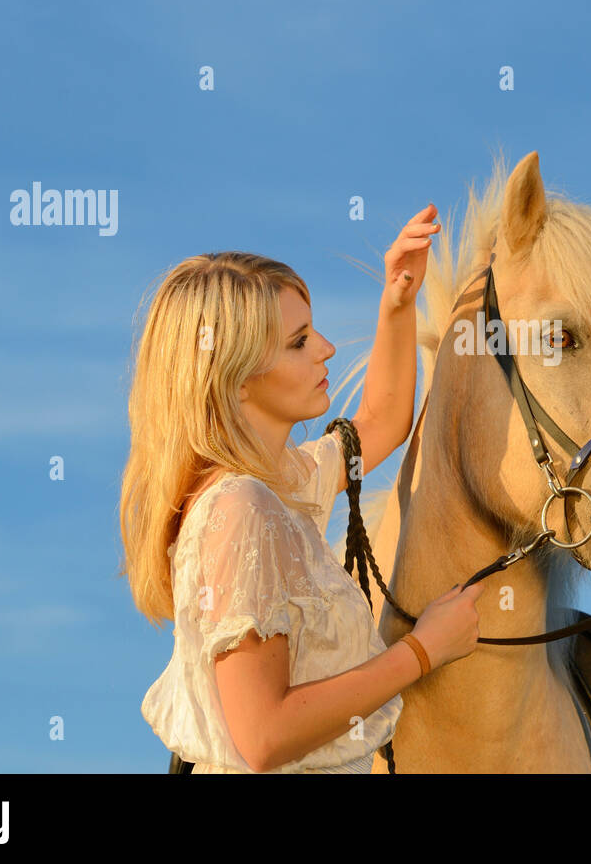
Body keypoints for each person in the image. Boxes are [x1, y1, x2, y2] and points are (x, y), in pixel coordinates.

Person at [120, 204, 484, 773]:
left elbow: (384, 420)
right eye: (298, 342)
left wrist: (398, 300)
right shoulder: (241, 508)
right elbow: (263, 737)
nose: (327, 350)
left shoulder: (280, 486)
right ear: (236, 379)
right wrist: (423, 651)